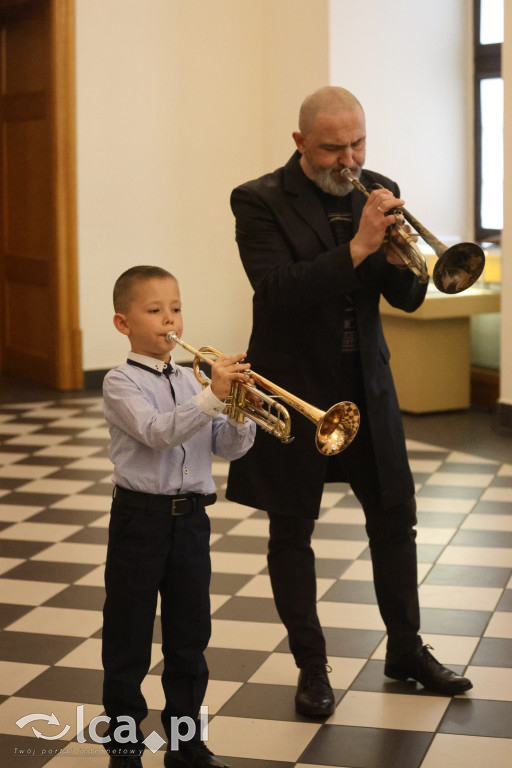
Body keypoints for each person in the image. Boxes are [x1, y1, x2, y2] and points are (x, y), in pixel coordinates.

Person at [226, 86, 473, 717]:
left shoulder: (377, 185)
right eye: (334, 147)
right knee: (292, 528)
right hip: (293, 390)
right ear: (300, 142)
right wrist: (360, 246)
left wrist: (403, 258)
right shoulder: (259, 200)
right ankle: (312, 667)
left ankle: (406, 650)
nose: (349, 159)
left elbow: (410, 298)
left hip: (369, 384)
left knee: (396, 519)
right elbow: (277, 291)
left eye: (358, 143)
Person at [102, 266, 256, 768]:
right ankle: (125, 743)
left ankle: (186, 743)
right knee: (128, 638)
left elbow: (227, 449)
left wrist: (238, 408)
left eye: (176, 308)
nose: (170, 320)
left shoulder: (195, 383)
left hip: (192, 521)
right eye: (154, 310)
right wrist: (214, 395)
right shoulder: (120, 382)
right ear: (123, 324)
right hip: (139, 521)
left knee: (190, 640)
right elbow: (156, 431)